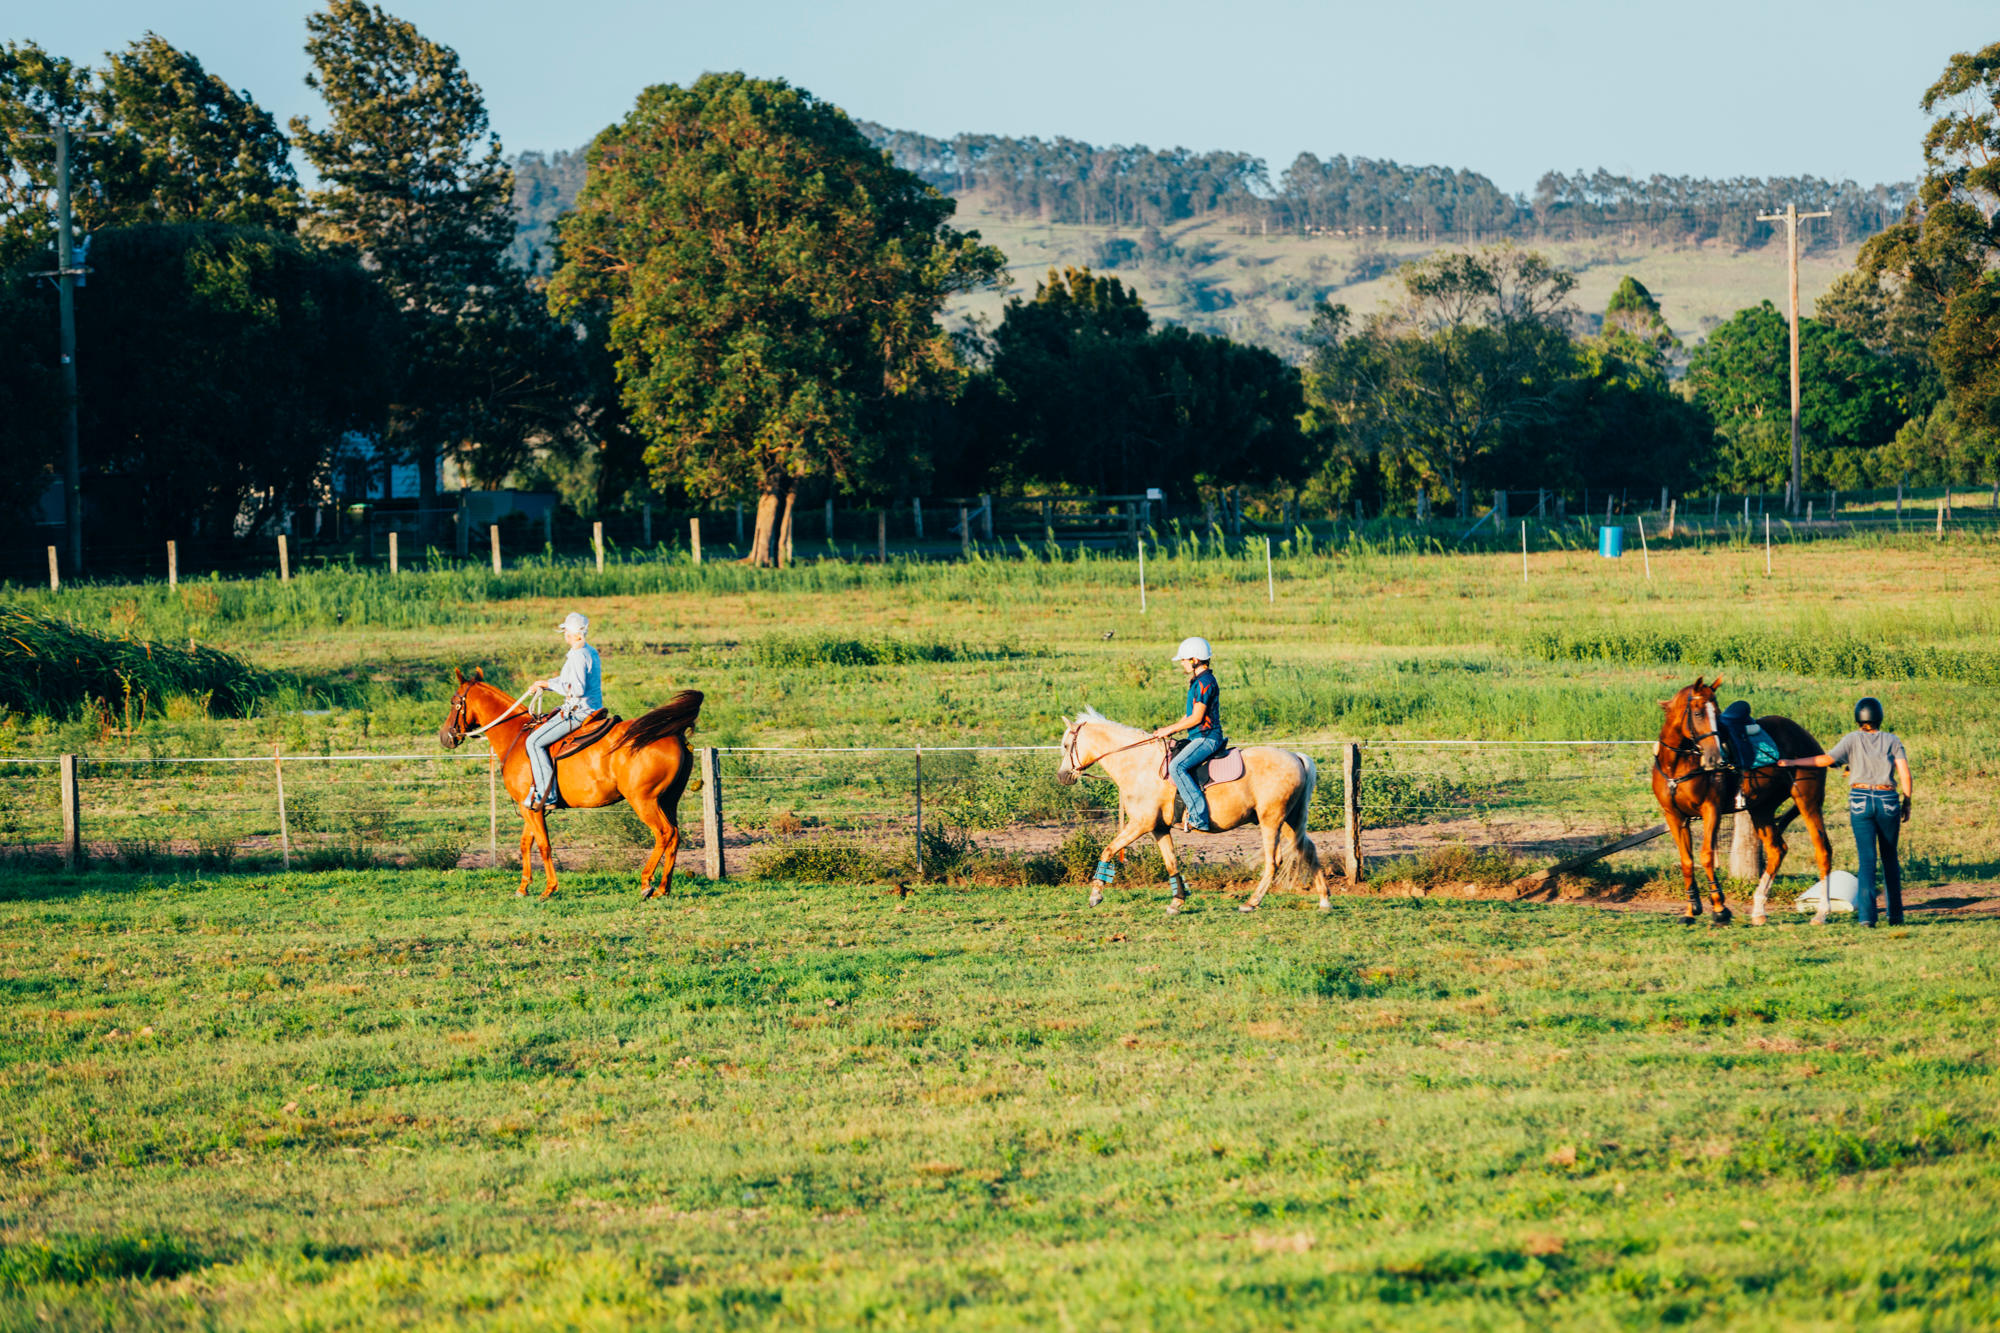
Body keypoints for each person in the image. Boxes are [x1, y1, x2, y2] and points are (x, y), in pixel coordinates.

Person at [1779, 697, 1912, 926]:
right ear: (1879, 717)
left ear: (1858, 717)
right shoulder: (1892, 740)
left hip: (1860, 799)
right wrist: (1907, 801)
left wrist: (1792, 762)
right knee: (1890, 858)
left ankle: (1867, 919)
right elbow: (1905, 773)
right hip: (1887, 798)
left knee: (1867, 860)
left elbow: (1825, 760)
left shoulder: (1851, 739)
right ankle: (1895, 916)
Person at [524, 612, 604, 811]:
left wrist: (550, 685)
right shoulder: (589, 651)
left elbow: (576, 689)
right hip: (591, 708)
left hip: (578, 712)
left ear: (577, 634)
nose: (565, 635)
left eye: (567, 631)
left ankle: (546, 795)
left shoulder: (577, 656)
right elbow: (568, 683)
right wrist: (546, 684)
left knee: (533, 741)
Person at [1151, 637, 1225, 833]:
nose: (1182, 663)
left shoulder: (1205, 683)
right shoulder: (1198, 681)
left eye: (1184, 660)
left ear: (1194, 660)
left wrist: (1170, 729)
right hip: (1197, 736)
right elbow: (1189, 715)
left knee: (1177, 766)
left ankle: (1199, 818)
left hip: (1207, 737)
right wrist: (1169, 728)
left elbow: (1197, 718)